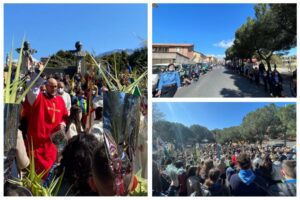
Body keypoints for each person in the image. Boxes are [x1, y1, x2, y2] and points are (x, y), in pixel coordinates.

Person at [24, 63, 68, 176]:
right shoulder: (38, 98)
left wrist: (62, 125)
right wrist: (38, 72)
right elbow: (32, 87)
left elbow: (64, 117)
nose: (54, 89)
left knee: (50, 176)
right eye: (51, 86)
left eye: (56, 87)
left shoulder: (60, 101)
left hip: (52, 145)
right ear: (46, 85)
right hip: (37, 146)